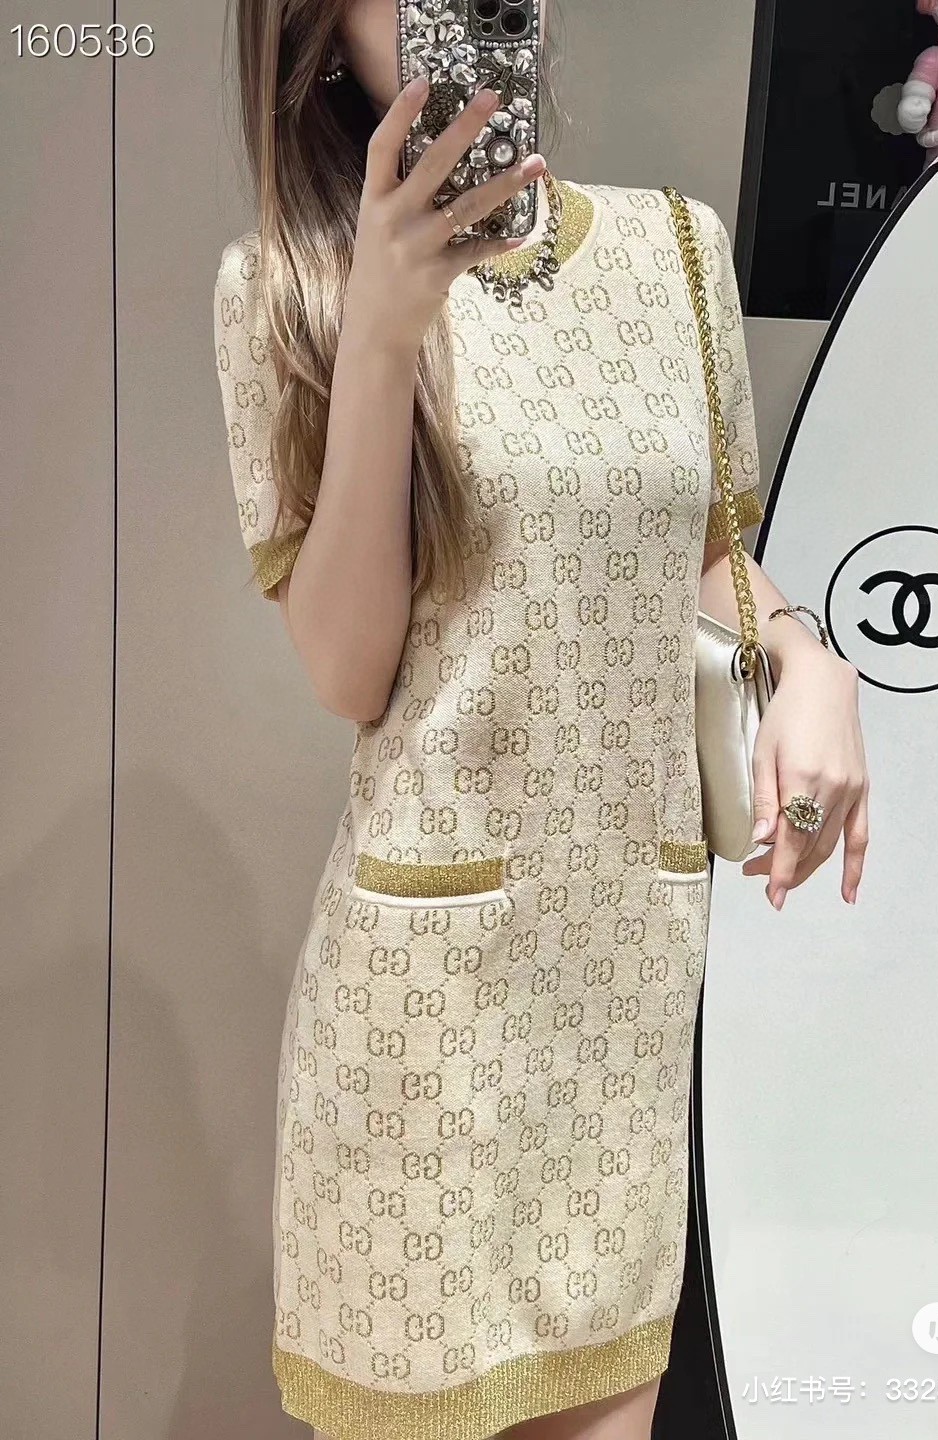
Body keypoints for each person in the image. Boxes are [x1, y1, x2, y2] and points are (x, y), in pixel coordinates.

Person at [212, 3, 871, 1438]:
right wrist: (382, 340)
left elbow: (705, 561)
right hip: (422, 1018)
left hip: (618, 994)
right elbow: (349, 671)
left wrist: (811, 658)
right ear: (322, 35)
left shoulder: (675, 251)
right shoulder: (284, 286)